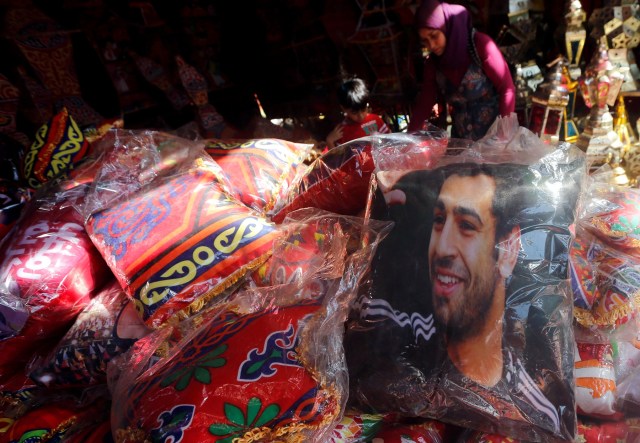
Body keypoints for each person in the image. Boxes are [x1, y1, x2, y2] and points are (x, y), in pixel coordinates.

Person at [407, 0, 515, 140]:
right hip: (462, 142)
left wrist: (502, 136)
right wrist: (409, 139)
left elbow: (507, 89)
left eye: (434, 36)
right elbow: (425, 102)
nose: (431, 45)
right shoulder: (433, 63)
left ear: (446, 28)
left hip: (494, 139)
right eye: (425, 41)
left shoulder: (480, 45)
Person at [325, 77, 390, 150]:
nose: (361, 116)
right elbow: (338, 158)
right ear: (344, 108)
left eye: (363, 110)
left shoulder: (375, 120)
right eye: (354, 113)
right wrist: (329, 141)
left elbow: (390, 141)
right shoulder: (341, 131)